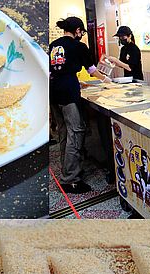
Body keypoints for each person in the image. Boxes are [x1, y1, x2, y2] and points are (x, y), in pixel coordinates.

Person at [50, 16, 112, 194]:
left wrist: (74, 82)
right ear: (77, 30)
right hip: (68, 94)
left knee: (63, 132)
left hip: (54, 93)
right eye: (82, 31)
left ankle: (67, 169)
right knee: (76, 132)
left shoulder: (55, 45)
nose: (82, 34)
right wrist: (108, 80)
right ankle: (71, 179)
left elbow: (51, 71)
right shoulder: (78, 46)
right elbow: (92, 70)